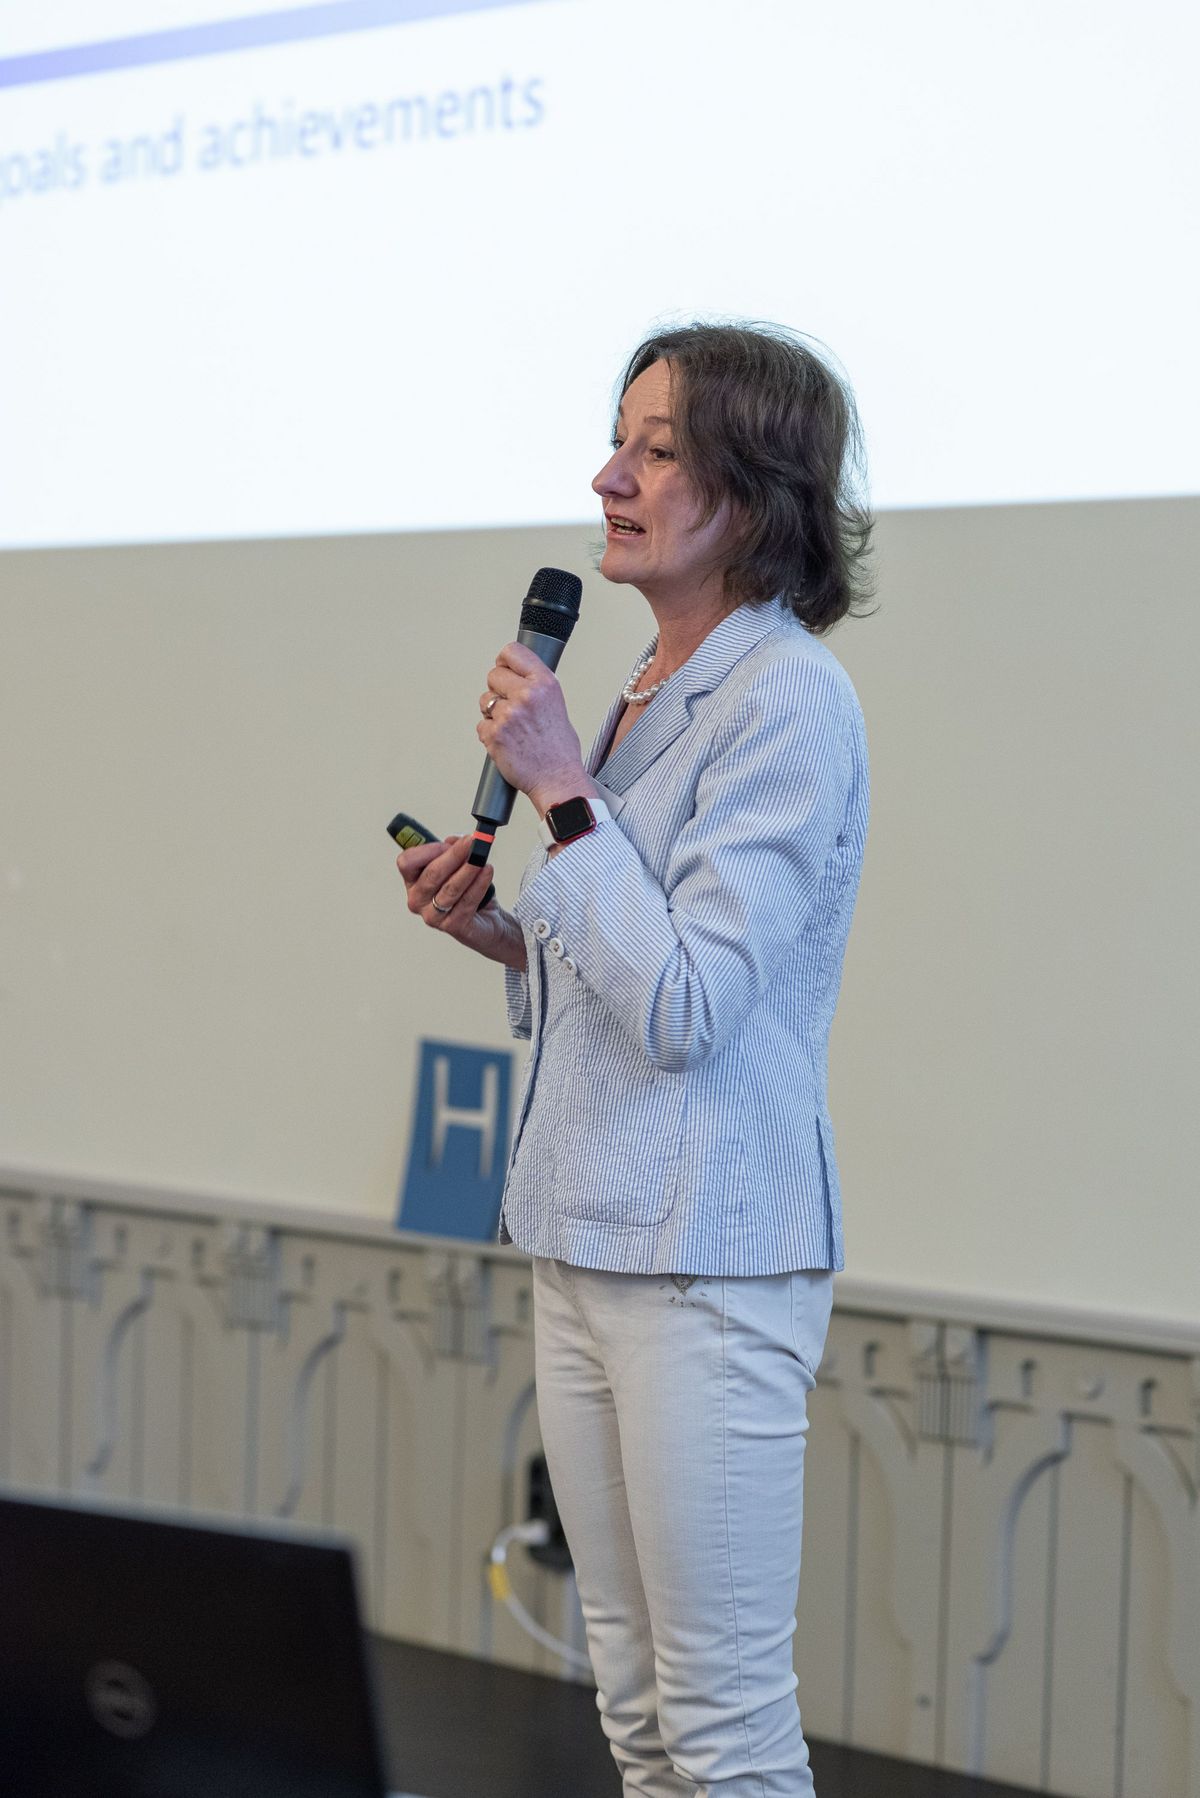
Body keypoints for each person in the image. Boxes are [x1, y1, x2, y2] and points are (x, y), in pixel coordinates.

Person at [396, 322, 872, 1797]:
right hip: (588, 1236)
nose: (610, 477)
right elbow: (623, 965)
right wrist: (504, 936)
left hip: (707, 1258)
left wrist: (560, 791)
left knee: (722, 1730)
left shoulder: (784, 697)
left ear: (757, 491)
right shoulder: (650, 685)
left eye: (657, 451)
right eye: (619, 441)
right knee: (641, 1718)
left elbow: (690, 1006)